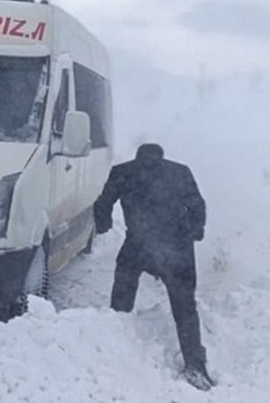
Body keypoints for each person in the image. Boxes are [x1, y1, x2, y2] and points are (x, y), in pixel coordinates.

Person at [94, 144, 213, 391]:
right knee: (185, 306)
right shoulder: (180, 172)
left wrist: (103, 223)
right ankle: (195, 365)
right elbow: (198, 206)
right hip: (177, 248)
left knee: (123, 288)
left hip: (138, 244)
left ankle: (114, 340)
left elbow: (102, 203)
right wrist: (195, 230)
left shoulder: (123, 171)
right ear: (161, 157)